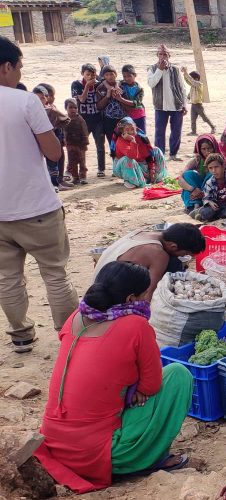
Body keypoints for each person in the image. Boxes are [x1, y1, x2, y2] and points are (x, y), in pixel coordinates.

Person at [33, 262, 193, 493]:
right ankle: (148, 458)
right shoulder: (136, 325)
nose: (147, 298)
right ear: (130, 299)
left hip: (54, 443)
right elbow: (151, 385)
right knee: (178, 375)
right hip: (100, 455)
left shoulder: (76, 316)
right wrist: (137, 388)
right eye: (144, 294)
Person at [0, 36, 78, 353]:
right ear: (6, 67)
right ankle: (69, 335)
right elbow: (54, 153)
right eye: (19, 67)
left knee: (7, 278)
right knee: (55, 273)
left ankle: (20, 335)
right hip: (37, 207)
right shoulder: (26, 101)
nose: (20, 73)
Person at [93, 222, 205, 298]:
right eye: (185, 253)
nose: (184, 256)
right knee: (174, 264)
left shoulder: (143, 233)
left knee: (174, 262)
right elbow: (147, 296)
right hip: (109, 298)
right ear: (173, 246)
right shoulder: (158, 253)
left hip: (95, 289)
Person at [147, 44, 187, 162]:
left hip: (176, 105)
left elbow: (182, 87)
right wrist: (159, 70)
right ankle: (160, 155)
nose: (163, 56)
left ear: (169, 56)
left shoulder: (175, 69)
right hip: (160, 106)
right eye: (160, 54)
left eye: (165, 54)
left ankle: (173, 154)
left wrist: (184, 104)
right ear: (157, 55)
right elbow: (151, 83)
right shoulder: (152, 69)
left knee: (176, 131)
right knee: (159, 131)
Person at [71, 63, 107, 176]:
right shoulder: (76, 84)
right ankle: (82, 170)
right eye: (88, 75)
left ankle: (101, 169)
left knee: (100, 145)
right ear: (82, 74)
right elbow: (81, 99)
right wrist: (87, 86)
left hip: (97, 119)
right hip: (83, 120)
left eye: (93, 75)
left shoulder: (99, 84)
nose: (91, 77)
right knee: (81, 146)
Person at [112, 117, 166, 189]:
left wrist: (151, 169)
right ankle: (132, 181)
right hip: (124, 167)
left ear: (136, 128)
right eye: (127, 130)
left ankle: (157, 178)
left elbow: (149, 155)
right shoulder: (120, 141)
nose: (131, 132)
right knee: (127, 159)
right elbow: (132, 156)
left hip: (141, 165)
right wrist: (132, 141)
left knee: (156, 150)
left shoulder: (141, 137)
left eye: (132, 129)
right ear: (122, 131)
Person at [192, 153, 226, 221]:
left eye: (216, 167)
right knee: (207, 213)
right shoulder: (209, 182)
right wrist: (210, 202)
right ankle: (201, 212)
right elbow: (206, 198)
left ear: (223, 166)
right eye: (210, 168)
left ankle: (214, 216)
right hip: (214, 206)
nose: (214, 171)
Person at [180, 134, 221, 210]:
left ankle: (196, 204)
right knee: (188, 174)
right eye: (203, 149)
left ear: (214, 147)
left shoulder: (220, 159)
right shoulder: (197, 160)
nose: (207, 152)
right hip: (198, 190)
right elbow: (181, 179)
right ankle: (195, 205)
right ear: (199, 149)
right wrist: (193, 189)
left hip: (213, 191)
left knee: (212, 173)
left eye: (209, 148)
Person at [96, 65, 127, 158]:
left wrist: (120, 98)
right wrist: (107, 96)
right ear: (104, 76)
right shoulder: (101, 88)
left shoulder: (122, 86)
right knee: (112, 143)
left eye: (111, 74)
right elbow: (99, 106)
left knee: (124, 142)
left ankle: (124, 163)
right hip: (108, 120)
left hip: (122, 120)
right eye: (107, 75)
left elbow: (128, 104)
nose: (109, 77)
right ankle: (115, 163)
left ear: (116, 75)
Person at [64, 99, 90, 185]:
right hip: (70, 144)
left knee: (82, 161)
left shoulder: (80, 119)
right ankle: (75, 177)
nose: (73, 109)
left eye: (75, 108)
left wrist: (85, 141)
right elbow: (63, 131)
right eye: (70, 107)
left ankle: (83, 177)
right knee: (72, 161)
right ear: (66, 108)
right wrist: (63, 141)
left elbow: (85, 130)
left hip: (81, 144)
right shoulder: (65, 119)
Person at [182, 68, 214, 135]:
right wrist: (184, 74)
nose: (191, 80)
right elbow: (188, 81)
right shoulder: (193, 86)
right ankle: (193, 131)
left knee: (204, 118)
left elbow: (191, 80)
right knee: (193, 119)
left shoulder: (199, 84)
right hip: (193, 105)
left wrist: (186, 72)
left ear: (196, 79)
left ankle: (213, 127)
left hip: (198, 105)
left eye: (192, 78)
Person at [119, 64, 146, 132]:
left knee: (141, 133)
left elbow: (135, 103)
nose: (126, 78)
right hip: (127, 115)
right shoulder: (122, 85)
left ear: (135, 75)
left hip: (139, 115)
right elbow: (115, 82)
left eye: (129, 76)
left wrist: (121, 99)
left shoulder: (140, 89)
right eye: (124, 76)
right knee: (128, 133)